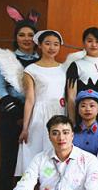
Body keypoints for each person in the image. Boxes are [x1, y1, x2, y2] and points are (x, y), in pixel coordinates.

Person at [0, 16, 39, 190]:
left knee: (28, 163)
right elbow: (1, 89)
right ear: (16, 37)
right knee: (9, 161)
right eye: (22, 35)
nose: (26, 39)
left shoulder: (40, 60)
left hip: (34, 115)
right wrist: (14, 111)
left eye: (30, 35)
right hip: (11, 115)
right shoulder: (7, 59)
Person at [15, 30, 68, 181]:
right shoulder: (31, 70)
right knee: (36, 155)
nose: (52, 47)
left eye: (56, 44)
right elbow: (30, 99)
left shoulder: (64, 68)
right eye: (48, 43)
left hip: (59, 112)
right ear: (39, 45)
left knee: (58, 154)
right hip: (39, 116)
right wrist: (25, 128)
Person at [66, 27, 98, 126]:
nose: (94, 45)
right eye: (89, 41)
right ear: (83, 42)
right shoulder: (76, 65)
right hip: (81, 117)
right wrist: (72, 121)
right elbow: (71, 97)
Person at [72, 89, 98, 156]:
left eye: (92, 106)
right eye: (83, 106)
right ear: (78, 110)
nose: (87, 109)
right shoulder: (71, 132)